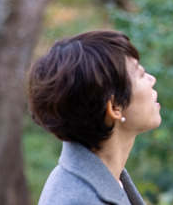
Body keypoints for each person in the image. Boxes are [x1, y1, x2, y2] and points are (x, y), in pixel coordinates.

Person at [26, 30, 161, 205]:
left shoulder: (108, 178)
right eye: (141, 75)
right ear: (114, 108)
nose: (152, 79)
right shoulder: (77, 199)